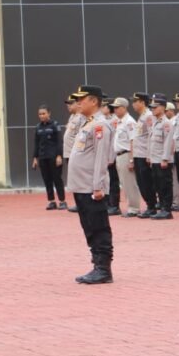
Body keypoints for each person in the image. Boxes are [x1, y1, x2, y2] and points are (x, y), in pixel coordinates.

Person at [65, 85, 114, 284]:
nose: (78, 103)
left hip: (91, 187)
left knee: (98, 227)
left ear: (93, 101)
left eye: (81, 99)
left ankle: (103, 269)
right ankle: (96, 264)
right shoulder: (88, 124)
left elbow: (102, 158)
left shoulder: (100, 125)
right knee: (89, 227)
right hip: (82, 185)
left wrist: (98, 186)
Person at [31, 105, 66, 209]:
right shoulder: (38, 127)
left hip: (54, 158)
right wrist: (35, 158)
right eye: (40, 114)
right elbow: (36, 143)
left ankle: (62, 201)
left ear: (49, 113)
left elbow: (59, 142)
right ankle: (52, 201)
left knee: (57, 179)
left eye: (44, 113)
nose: (41, 116)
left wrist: (59, 155)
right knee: (47, 180)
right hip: (43, 157)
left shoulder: (55, 125)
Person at [147, 95, 175, 219]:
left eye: (155, 107)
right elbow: (152, 141)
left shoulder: (166, 123)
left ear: (163, 108)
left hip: (162, 160)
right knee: (158, 185)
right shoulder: (155, 123)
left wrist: (165, 159)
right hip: (155, 159)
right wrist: (149, 157)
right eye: (152, 107)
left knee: (165, 185)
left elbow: (168, 142)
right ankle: (162, 206)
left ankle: (167, 210)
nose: (153, 109)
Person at [130, 92, 157, 217]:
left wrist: (149, 155)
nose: (133, 104)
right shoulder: (141, 117)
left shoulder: (148, 116)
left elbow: (152, 136)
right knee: (141, 182)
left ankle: (152, 206)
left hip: (144, 155)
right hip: (138, 154)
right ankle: (149, 205)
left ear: (142, 102)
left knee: (147, 182)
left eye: (135, 101)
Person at [61, 94, 85, 210]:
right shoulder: (72, 117)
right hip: (68, 153)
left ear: (78, 104)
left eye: (71, 104)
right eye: (67, 104)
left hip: (75, 153)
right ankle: (78, 203)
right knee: (74, 180)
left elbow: (81, 137)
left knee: (79, 180)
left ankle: (81, 203)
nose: (68, 106)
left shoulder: (81, 118)